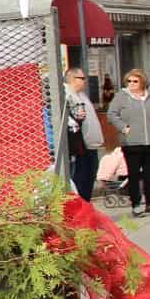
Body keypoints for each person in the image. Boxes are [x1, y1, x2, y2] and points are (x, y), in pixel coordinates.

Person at [107, 68, 150, 216]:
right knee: (134, 174)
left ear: (142, 82)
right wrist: (123, 128)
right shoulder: (121, 96)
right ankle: (136, 205)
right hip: (131, 143)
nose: (132, 84)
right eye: (129, 81)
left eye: (135, 81)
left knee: (149, 174)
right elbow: (112, 114)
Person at [64, 67, 103, 201]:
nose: (84, 81)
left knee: (90, 177)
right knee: (81, 179)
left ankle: (86, 206)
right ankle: (80, 208)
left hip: (91, 145)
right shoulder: (68, 95)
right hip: (80, 146)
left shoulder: (82, 95)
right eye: (82, 78)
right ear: (72, 79)